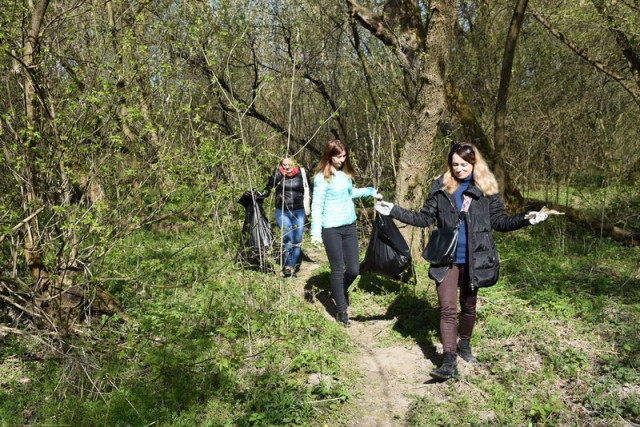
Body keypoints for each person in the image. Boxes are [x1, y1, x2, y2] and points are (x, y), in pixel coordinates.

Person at [375, 142, 548, 380]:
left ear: (475, 164)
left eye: (464, 164)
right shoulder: (441, 187)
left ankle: (464, 345)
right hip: (446, 259)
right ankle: (449, 360)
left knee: (468, 306)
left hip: (476, 259)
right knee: (447, 308)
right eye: (455, 164)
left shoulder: (486, 190)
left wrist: (526, 219)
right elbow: (424, 218)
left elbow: (500, 222)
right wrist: (393, 210)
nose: (459, 169)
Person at [310, 139, 382, 327]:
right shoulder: (322, 178)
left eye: (344, 156)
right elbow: (316, 205)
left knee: (353, 270)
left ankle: (338, 290)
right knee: (337, 269)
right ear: (329, 156)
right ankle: (341, 311)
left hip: (349, 226)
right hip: (331, 228)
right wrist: (315, 233)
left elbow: (350, 193)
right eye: (339, 156)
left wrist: (369, 191)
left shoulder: (344, 175)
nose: (342, 159)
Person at [262, 156, 311, 277]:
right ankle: (288, 266)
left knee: (297, 239)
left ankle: (292, 267)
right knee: (288, 236)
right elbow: (269, 188)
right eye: (284, 165)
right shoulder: (278, 173)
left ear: (294, 164)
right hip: (282, 211)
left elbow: (310, 190)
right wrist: (258, 196)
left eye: (289, 164)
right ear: (281, 164)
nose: (287, 167)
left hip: (299, 211)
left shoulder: (302, 173)